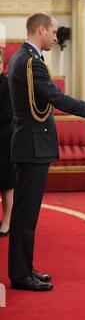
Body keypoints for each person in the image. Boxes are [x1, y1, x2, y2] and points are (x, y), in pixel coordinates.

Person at [7, 12, 85, 292]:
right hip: (32, 145)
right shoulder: (29, 62)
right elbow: (58, 98)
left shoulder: (24, 58)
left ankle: (24, 268)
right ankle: (21, 275)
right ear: (41, 29)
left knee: (26, 213)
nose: (56, 37)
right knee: (26, 215)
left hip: (31, 143)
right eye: (54, 32)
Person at [0, 48, 14, 238]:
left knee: (6, 184)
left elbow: (7, 114)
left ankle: (7, 221)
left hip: (3, 139)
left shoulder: (7, 84)